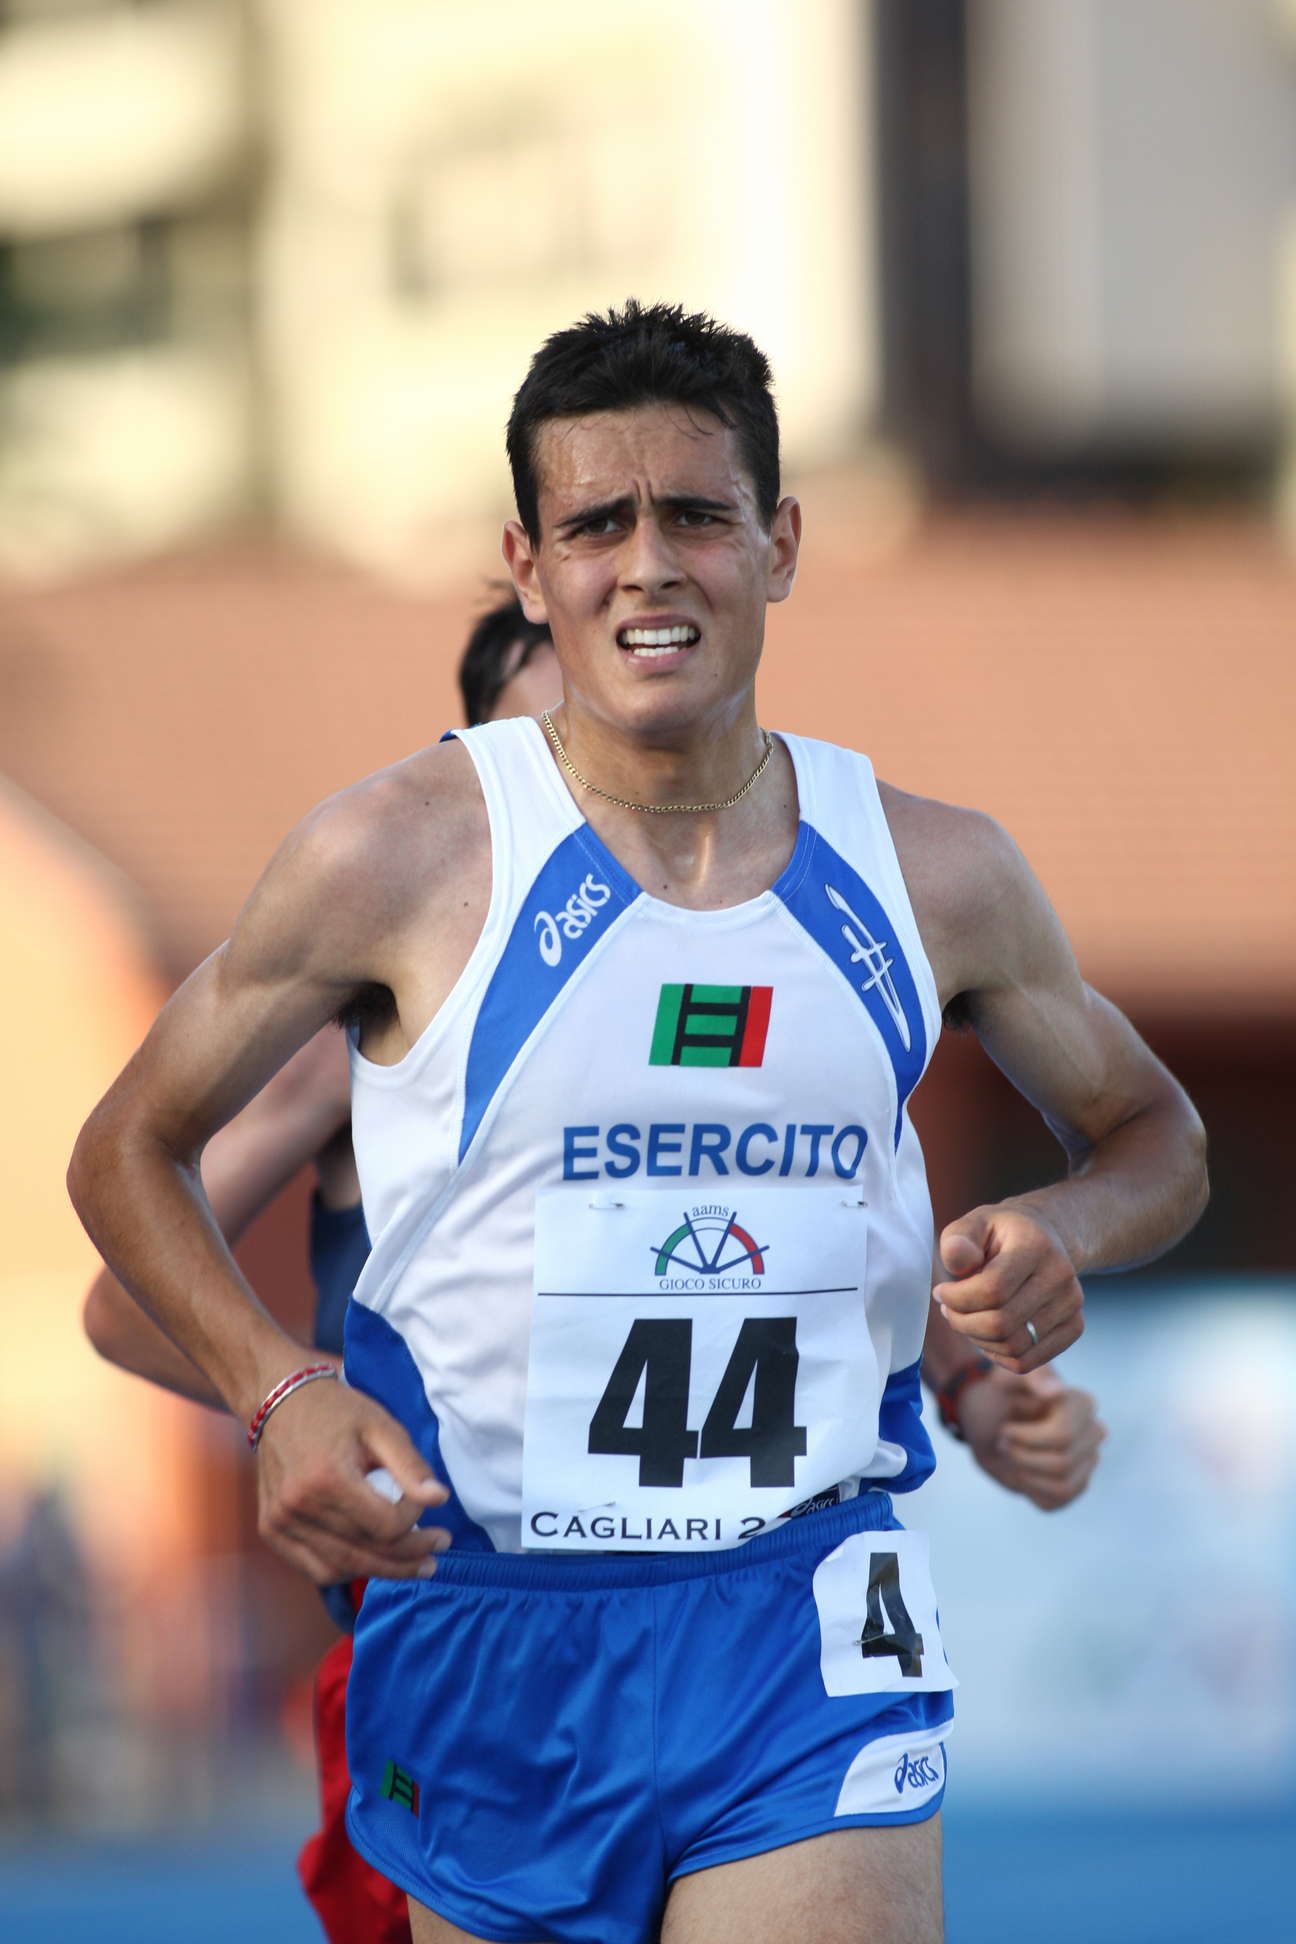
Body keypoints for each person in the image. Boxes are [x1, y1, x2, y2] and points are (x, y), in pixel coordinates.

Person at [69, 300, 1205, 1944]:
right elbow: (124, 1152)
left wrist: (1054, 1238)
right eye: (598, 524)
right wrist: (285, 1390)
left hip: (802, 1613)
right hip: (492, 1623)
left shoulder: (935, 871)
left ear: (780, 543)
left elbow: (1157, 1136)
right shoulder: (392, 858)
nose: (649, 565)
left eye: (696, 515)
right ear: (528, 566)